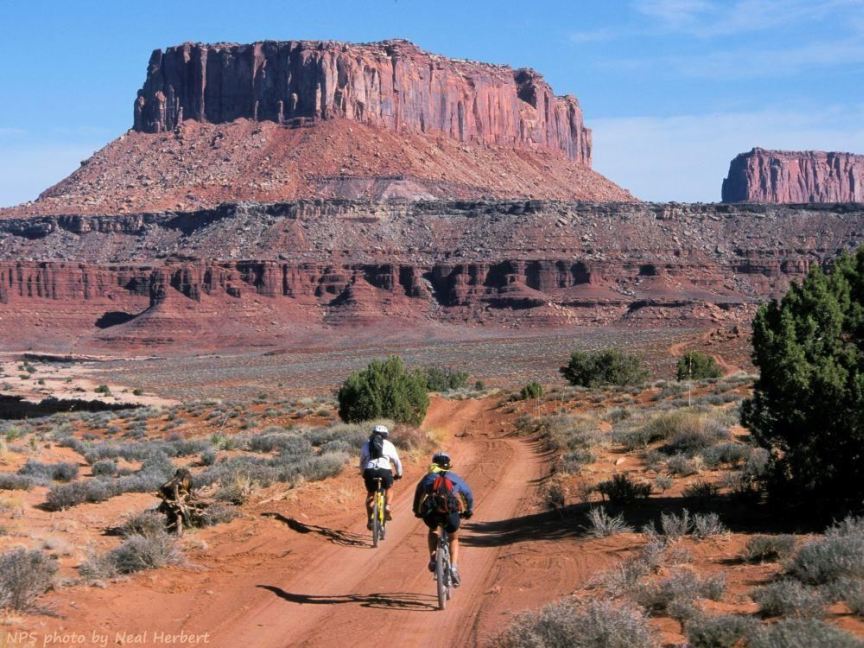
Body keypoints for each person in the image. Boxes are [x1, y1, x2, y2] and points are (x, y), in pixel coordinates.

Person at [412, 451, 474, 587]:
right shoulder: (454, 478)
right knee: (453, 537)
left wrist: (417, 511)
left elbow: (419, 494)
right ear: (449, 465)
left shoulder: (428, 478)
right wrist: (468, 510)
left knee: (433, 529)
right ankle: (453, 567)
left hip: (431, 513)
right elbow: (467, 494)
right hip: (450, 513)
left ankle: (433, 558)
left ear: (434, 463)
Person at [359, 424, 403, 529]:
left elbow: (362, 462)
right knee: (389, 488)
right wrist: (399, 474)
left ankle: (370, 519)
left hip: (370, 471)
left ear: (373, 433)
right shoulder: (389, 445)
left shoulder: (366, 445)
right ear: (385, 435)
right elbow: (397, 461)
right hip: (385, 471)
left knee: (370, 494)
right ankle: (387, 506)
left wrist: (363, 474)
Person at [157, 467, 194, 535]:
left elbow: (160, 489)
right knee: (183, 508)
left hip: (167, 497)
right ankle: (187, 522)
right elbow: (185, 490)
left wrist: (166, 498)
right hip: (172, 500)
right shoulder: (179, 481)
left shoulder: (174, 480)